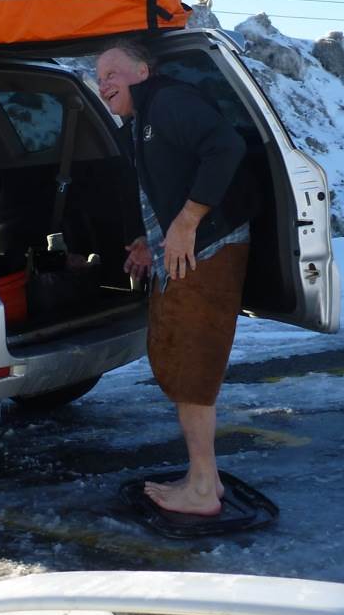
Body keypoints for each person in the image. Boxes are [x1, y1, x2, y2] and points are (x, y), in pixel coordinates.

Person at [96, 40, 255, 516]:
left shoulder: (168, 101)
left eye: (112, 73)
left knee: (193, 364)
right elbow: (170, 183)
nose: (103, 84)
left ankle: (203, 488)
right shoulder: (143, 120)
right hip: (187, 249)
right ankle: (203, 477)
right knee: (182, 358)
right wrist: (154, 239)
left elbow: (226, 147)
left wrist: (187, 222)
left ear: (143, 72)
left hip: (211, 247)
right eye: (98, 78)